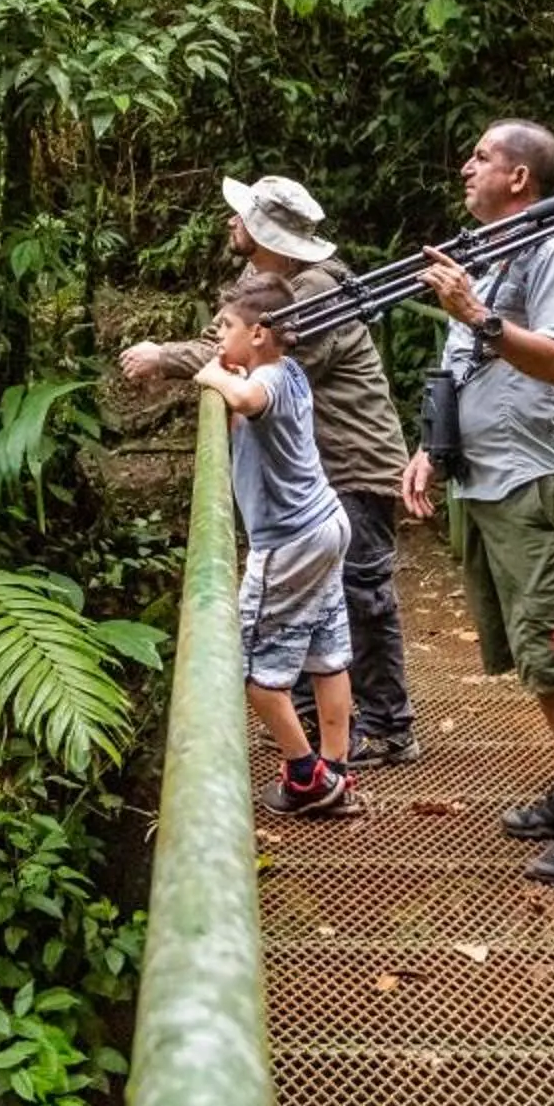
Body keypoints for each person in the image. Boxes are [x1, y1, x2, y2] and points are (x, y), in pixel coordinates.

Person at [401, 119, 554, 885]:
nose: (464, 165)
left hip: (539, 482)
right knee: (539, 655)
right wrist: (431, 450)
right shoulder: (484, 256)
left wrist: (478, 313)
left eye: (480, 156)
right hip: (485, 482)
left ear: (519, 178)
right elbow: (465, 370)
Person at [121, 176, 420, 766]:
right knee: (329, 598)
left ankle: (387, 727)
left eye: (240, 217)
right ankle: (318, 722)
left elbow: (241, 359)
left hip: (352, 464)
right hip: (318, 472)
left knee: (361, 596)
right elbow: (227, 341)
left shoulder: (313, 298)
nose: (230, 223)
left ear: (263, 232)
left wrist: (167, 359)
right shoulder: (276, 287)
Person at [193, 274, 359, 816]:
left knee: (247, 666)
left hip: (290, 541)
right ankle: (335, 767)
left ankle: (307, 774)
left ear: (260, 333)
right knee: (324, 654)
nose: (218, 339)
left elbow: (243, 396)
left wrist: (214, 374)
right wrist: (229, 367)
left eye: (226, 328)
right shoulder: (290, 371)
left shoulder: (267, 380)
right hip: (325, 524)